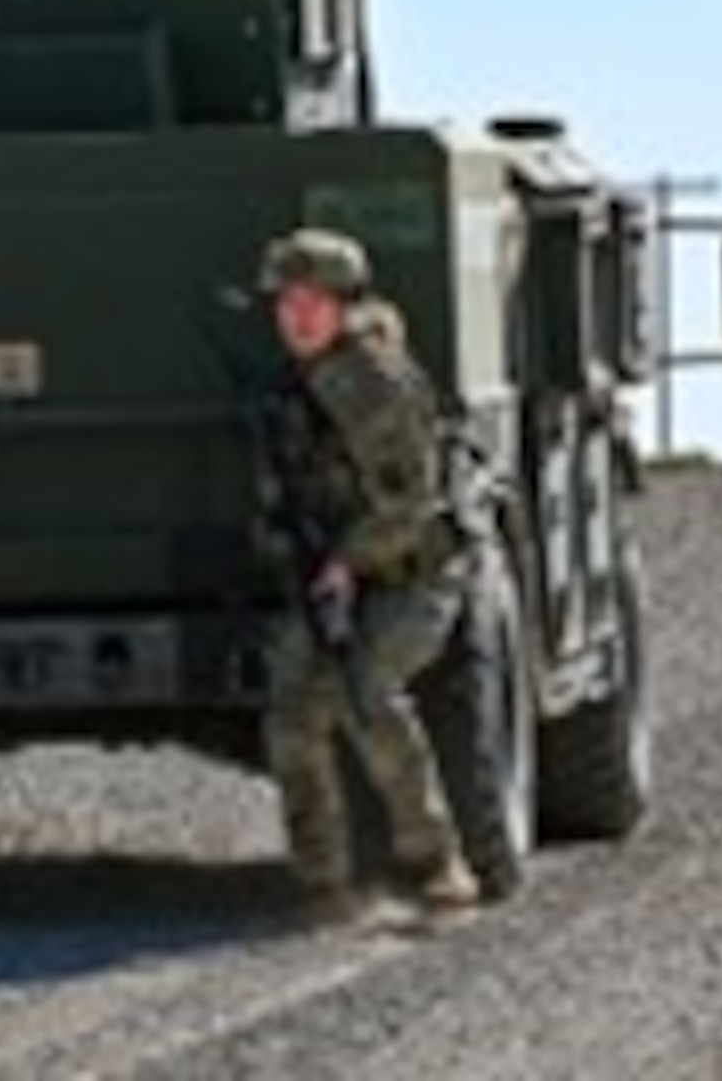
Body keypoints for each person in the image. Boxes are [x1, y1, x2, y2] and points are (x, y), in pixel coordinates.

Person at [254, 226, 481, 926]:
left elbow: (410, 505)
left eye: (312, 301)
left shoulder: (370, 382)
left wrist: (346, 565)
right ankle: (323, 882)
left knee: (369, 691)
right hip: (341, 574)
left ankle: (435, 863)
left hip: (412, 571)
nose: (296, 316)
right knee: (293, 711)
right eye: (286, 302)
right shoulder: (301, 381)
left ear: (347, 305)